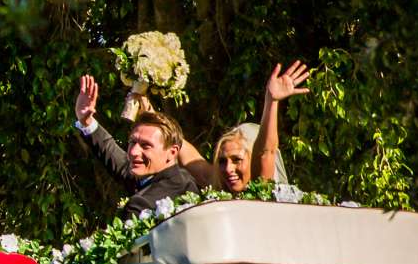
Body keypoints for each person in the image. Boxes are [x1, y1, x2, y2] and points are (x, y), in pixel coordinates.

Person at [72, 74, 199, 217]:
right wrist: (86, 122)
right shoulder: (179, 178)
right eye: (132, 142)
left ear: (172, 152)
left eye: (146, 146)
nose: (133, 152)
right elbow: (122, 166)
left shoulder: (140, 206)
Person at [210, 61, 315, 193]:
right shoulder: (217, 195)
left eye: (237, 160)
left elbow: (266, 152)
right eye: (222, 161)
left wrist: (271, 101)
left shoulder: (261, 191)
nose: (227, 169)